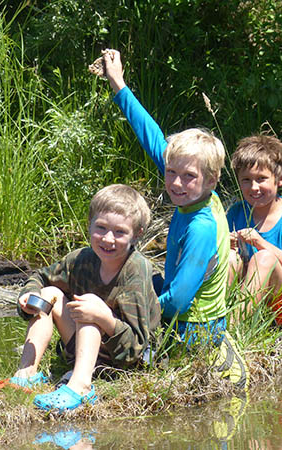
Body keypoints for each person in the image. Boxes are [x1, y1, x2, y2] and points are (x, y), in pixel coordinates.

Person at [102, 49, 247, 390]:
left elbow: (179, 303)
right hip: (190, 319)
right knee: (134, 274)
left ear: (211, 180)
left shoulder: (201, 226)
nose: (176, 183)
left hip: (192, 331)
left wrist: (127, 307)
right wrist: (118, 83)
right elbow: (152, 135)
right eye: (171, 172)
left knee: (119, 298)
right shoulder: (198, 196)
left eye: (188, 176)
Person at [10, 184, 161, 412]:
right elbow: (40, 277)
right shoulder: (80, 259)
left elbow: (136, 348)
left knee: (90, 305)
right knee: (49, 293)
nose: (108, 239)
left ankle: (80, 386)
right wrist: (30, 294)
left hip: (125, 362)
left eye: (120, 232)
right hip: (84, 349)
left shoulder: (136, 270)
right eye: (101, 227)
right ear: (89, 224)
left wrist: (104, 318)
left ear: (137, 234)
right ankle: (26, 374)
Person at [227, 135, 282, 326]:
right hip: (254, 305)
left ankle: (231, 331)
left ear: (281, 178)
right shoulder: (236, 212)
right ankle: (216, 324)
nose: (254, 187)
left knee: (265, 258)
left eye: (261, 179)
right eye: (246, 180)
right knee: (228, 257)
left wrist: (261, 243)